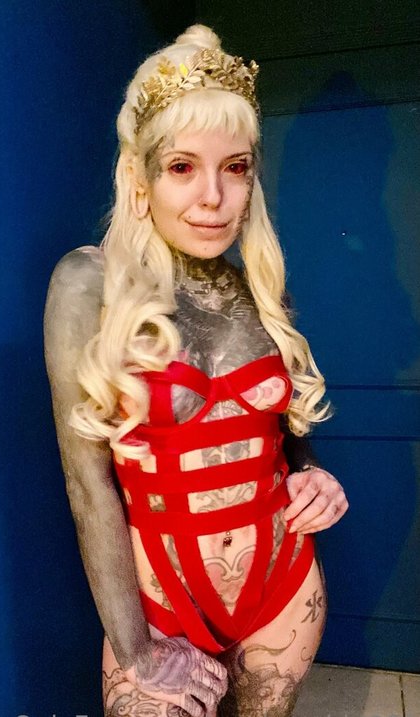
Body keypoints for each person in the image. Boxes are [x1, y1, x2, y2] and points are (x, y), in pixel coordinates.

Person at [44, 24, 348, 717]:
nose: (213, 195)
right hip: (158, 606)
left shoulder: (261, 290)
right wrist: (137, 652)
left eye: (235, 167)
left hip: (281, 586)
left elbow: (282, 435)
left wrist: (313, 475)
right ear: (140, 177)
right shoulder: (88, 284)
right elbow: (87, 485)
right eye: (182, 166)